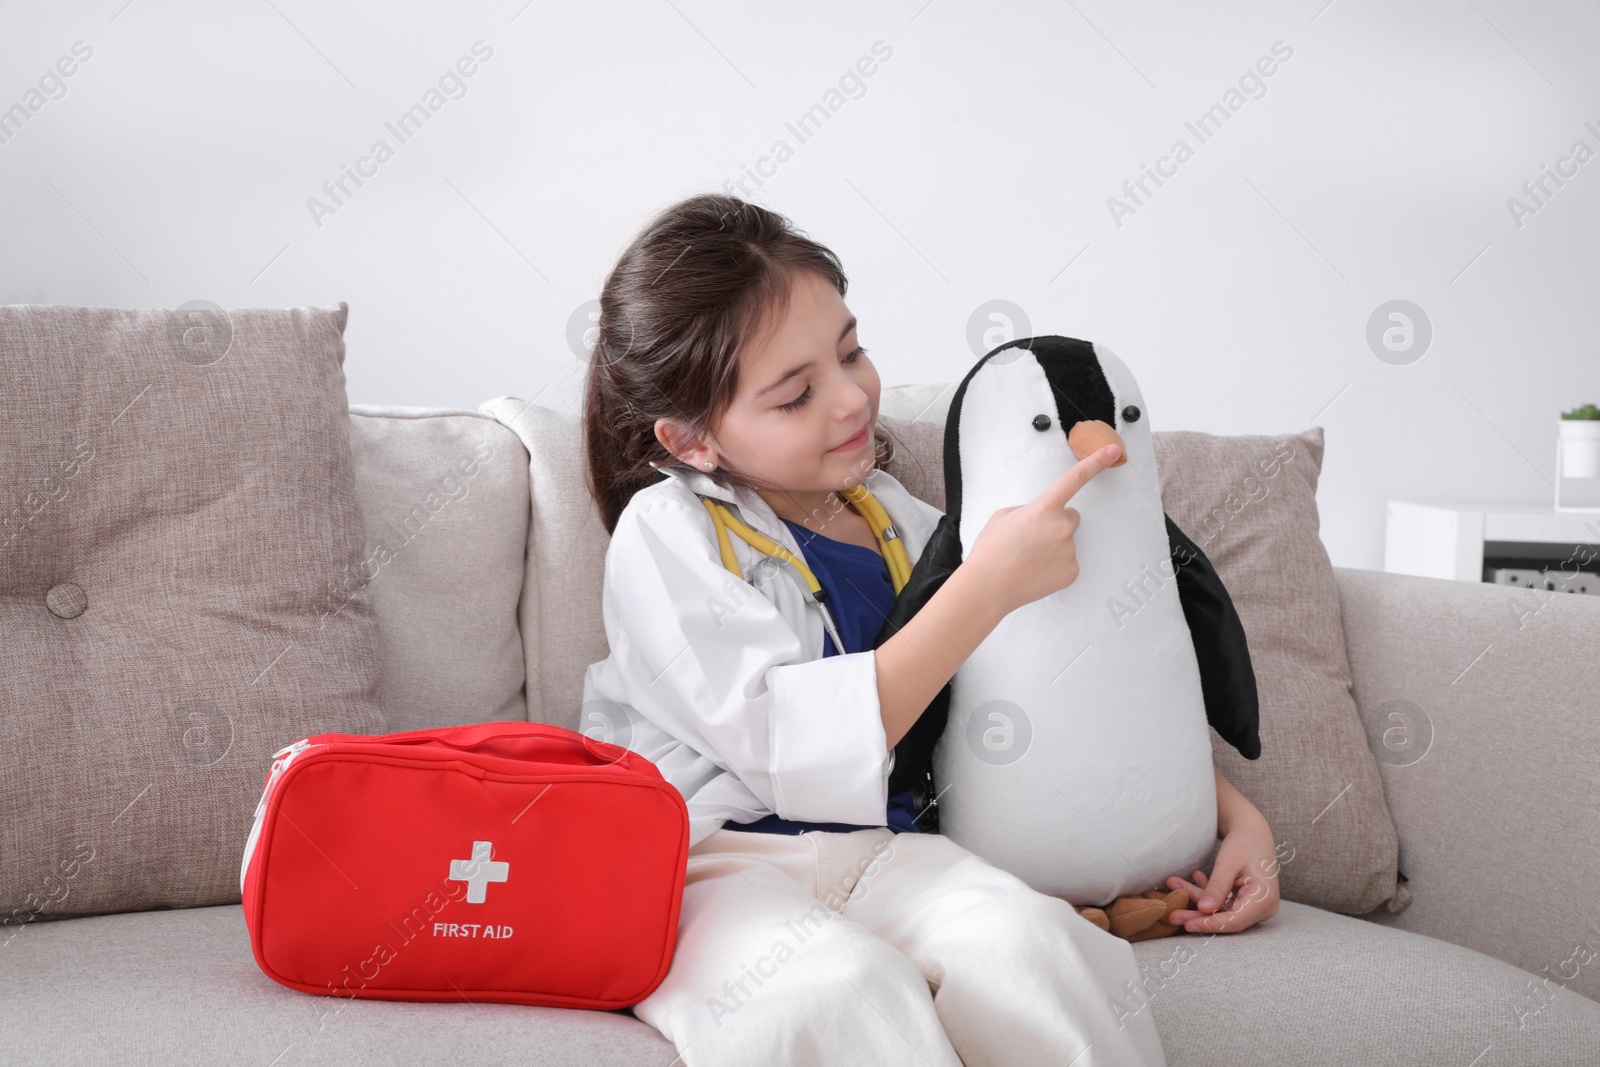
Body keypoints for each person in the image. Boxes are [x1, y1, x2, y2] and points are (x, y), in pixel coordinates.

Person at [581, 193, 1185, 1065]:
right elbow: (785, 747)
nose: (851, 397)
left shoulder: (900, 515)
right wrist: (983, 588)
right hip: (711, 864)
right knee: (832, 996)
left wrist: (1224, 813)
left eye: (852, 350)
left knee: (1035, 948)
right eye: (795, 395)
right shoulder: (665, 534)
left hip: (887, 852)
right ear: (695, 440)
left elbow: (1051, 673)